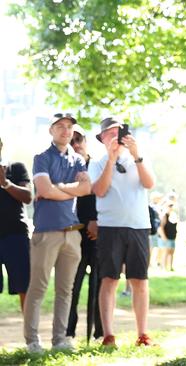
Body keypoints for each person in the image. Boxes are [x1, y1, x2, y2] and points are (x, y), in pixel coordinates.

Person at [23, 113, 91, 352]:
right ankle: (32, 341)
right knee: (38, 288)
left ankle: (59, 340)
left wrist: (58, 188)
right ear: (51, 130)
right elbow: (43, 189)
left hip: (72, 234)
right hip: (47, 233)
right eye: (60, 126)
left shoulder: (78, 161)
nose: (66, 130)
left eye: (69, 127)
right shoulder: (41, 158)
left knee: (65, 290)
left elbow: (86, 189)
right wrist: (69, 190)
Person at [89, 117, 156, 347]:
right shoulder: (97, 162)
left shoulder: (139, 157)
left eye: (119, 132)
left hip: (138, 226)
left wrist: (137, 155)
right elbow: (99, 189)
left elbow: (149, 183)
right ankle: (108, 335)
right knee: (109, 279)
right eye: (110, 133)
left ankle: (143, 334)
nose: (115, 136)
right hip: (110, 227)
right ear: (102, 138)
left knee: (140, 281)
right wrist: (111, 159)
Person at [66, 124, 103, 340]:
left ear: (86, 142)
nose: (76, 144)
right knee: (71, 285)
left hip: (98, 233)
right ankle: (68, 332)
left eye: (79, 139)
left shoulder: (98, 166)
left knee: (98, 285)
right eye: (72, 140)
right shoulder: (65, 168)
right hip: (73, 233)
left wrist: (96, 221)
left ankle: (99, 333)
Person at [0, 135, 33, 313]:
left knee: (24, 285)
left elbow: (28, 197)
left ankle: (30, 336)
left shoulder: (16, 167)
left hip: (16, 235)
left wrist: (5, 183)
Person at [158, 200, 178, 271]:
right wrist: (164, 237)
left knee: (171, 252)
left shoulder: (173, 215)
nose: (171, 207)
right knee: (165, 252)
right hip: (166, 237)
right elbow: (160, 227)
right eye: (169, 206)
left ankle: (170, 267)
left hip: (172, 237)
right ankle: (163, 267)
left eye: (172, 206)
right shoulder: (164, 215)